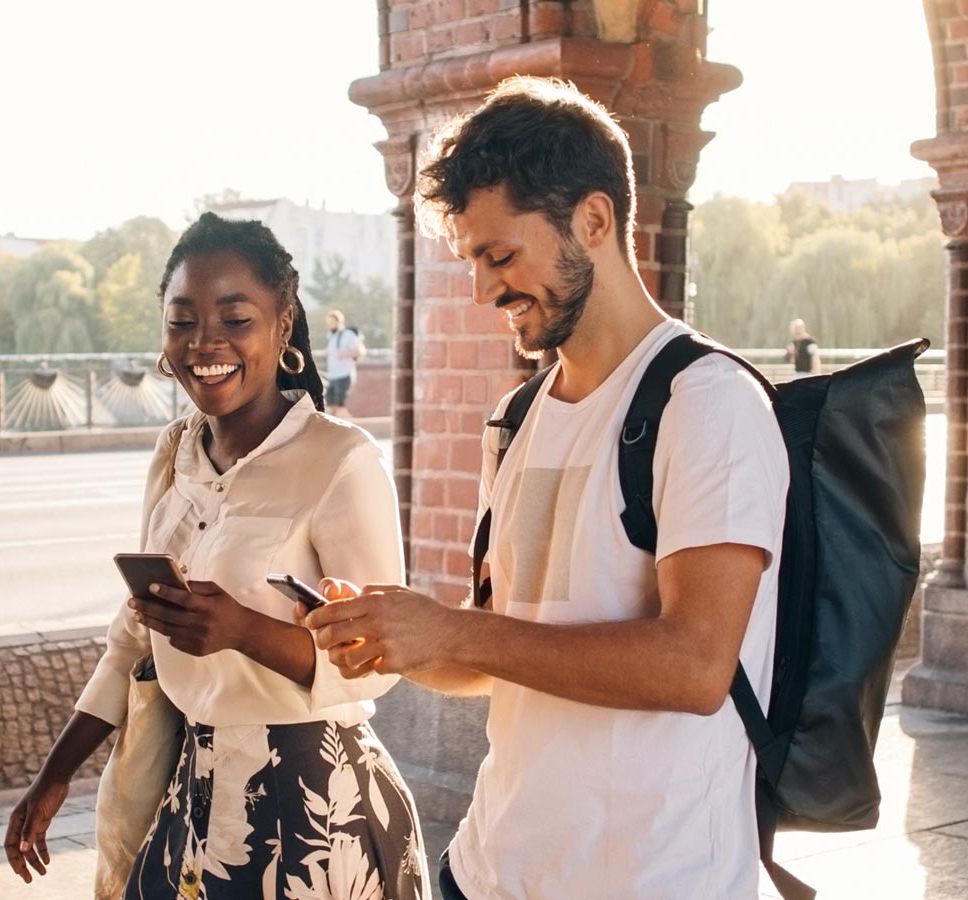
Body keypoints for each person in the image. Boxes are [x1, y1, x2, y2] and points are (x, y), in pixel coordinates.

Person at [304, 77, 788, 900]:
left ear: (593, 221)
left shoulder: (706, 403)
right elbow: (499, 647)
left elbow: (697, 664)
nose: (483, 290)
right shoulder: (517, 417)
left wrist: (454, 632)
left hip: (653, 880)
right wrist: (403, 637)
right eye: (471, 261)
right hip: (492, 869)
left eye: (500, 256)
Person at [5, 213, 428, 900]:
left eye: (236, 320)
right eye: (182, 321)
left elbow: (378, 664)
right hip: (187, 800)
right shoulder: (174, 454)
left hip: (316, 815)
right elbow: (131, 638)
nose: (205, 343)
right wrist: (56, 775)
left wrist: (244, 632)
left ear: (282, 326)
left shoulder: (341, 461)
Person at [324, 309, 364, 416]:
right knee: (330, 404)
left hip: (344, 374)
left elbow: (360, 351)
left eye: (332, 322)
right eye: (329, 323)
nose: (330, 325)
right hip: (333, 376)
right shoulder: (331, 336)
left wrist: (344, 355)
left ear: (339, 322)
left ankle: (352, 426)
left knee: (339, 405)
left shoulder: (347, 334)